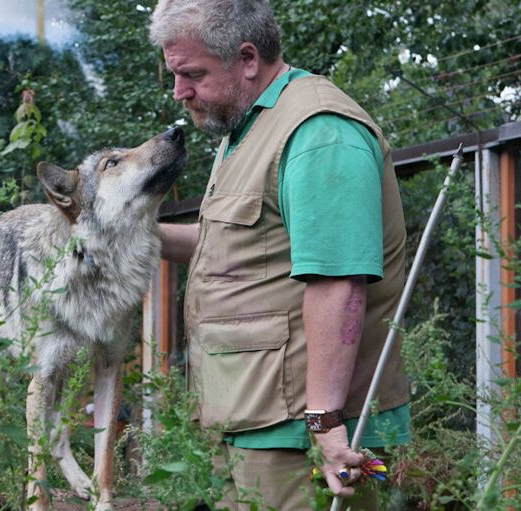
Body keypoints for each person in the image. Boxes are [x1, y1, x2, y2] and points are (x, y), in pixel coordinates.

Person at [149, 1, 410, 509]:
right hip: (253, 418)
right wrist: (130, 234)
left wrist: (326, 423)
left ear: (247, 58)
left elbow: (338, 282)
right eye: (175, 74)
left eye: (192, 74)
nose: (180, 92)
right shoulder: (246, 129)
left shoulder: (318, 134)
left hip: (301, 433)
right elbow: (236, 247)